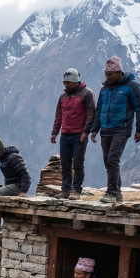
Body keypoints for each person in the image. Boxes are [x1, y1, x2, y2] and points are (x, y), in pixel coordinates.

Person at [91, 56, 140, 204]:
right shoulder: (104, 89)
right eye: (106, 75)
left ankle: (110, 193)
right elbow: (99, 110)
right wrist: (95, 128)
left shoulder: (131, 86)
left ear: (119, 72)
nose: (107, 77)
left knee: (112, 160)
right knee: (108, 161)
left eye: (110, 75)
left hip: (121, 129)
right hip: (105, 130)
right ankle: (118, 193)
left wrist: (139, 129)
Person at [51, 68, 96, 201]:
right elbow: (58, 116)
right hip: (65, 135)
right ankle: (65, 190)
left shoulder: (87, 93)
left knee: (78, 162)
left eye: (69, 82)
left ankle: (76, 190)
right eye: (64, 82)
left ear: (76, 81)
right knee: (65, 163)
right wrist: (55, 132)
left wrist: (86, 131)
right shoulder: (62, 97)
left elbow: (91, 113)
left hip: (79, 134)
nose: (66, 85)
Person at [0, 138, 31, 243]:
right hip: (12, 186)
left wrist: (23, 191)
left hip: (18, 186)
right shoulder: (3, 160)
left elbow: (25, 174)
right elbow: (8, 178)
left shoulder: (13, 158)